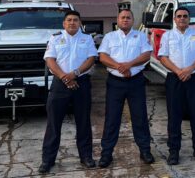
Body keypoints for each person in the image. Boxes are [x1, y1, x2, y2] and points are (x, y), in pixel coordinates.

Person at [39, 10, 98, 174]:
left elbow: (91, 59)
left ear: (80, 23)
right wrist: (64, 77)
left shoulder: (87, 38)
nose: (72, 23)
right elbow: (50, 60)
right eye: (69, 20)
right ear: (64, 23)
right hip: (59, 84)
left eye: (75, 20)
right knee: (53, 124)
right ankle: (47, 160)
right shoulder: (55, 38)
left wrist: (75, 74)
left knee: (84, 122)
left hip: (81, 83)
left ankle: (86, 157)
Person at [97, 9, 154, 168]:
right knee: (112, 119)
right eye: (122, 17)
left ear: (132, 20)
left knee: (140, 117)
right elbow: (103, 57)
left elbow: (146, 55)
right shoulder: (109, 37)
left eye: (128, 17)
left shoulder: (141, 36)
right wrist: (120, 67)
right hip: (115, 82)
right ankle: (106, 154)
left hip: (136, 81)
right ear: (117, 20)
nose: (125, 20)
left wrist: (128, 65)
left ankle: (145, 151)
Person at [158, 6, 195, 165]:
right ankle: (174, 152)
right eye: (179, 16)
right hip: (174, 79)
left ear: (189, 19)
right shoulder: (167, 36)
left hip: (193, 78)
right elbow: (163, 57)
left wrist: (189, 70)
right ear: (174, 19)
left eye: (185, 16)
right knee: (174, 116)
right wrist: (178, 71)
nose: (182, 18)